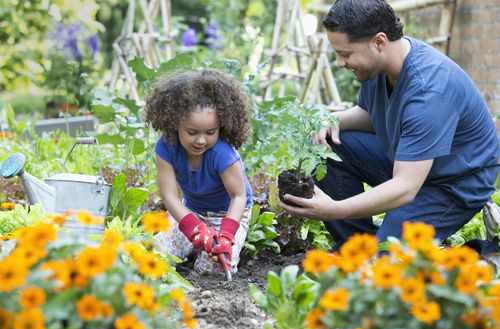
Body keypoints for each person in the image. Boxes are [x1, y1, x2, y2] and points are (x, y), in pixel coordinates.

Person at [280, 0, 500, 250]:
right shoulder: (377, 67)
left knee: (388, 264)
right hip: (408, 162)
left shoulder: (428, 91)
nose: (340, 63)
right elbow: (371, 114)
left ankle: (486, 256)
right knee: (329, 143)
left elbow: (405, 187)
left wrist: (334, 210)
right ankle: (358, 247)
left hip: (452, 184)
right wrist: (331, 120)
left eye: (345, 54)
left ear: (379, 42)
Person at [144, 69, 253, 275]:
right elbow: (169, 196)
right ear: (175, 123)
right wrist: (194, 228)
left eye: (210, 132)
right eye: (192, 132)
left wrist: (226, 236)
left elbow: (239, 196)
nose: (201, 140)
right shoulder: (166, 147)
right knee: (154, 255)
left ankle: (203, 250)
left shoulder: (222, 153)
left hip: (227, 214)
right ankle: (194, 245)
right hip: (191, 211)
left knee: (213, 270)